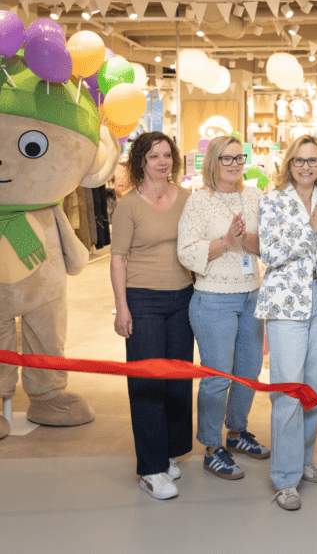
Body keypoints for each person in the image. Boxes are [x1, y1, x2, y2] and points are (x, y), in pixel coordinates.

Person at [255, 135, 317, 511]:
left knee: (316, 391)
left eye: (313, 160)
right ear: (289, 163)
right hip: (286, 306)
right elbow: (270, 253)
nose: (306, 167)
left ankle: (304, 459)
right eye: (299, 160)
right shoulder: (272, 200)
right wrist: (311, 230)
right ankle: (285, 477)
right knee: (288, 392)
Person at [177, 135, 269, 482]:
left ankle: (237, 432)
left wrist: (246, 240)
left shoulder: (255, 197)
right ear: (213, 162)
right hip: (213, 298)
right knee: (217, 377)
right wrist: (226, 242)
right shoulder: (199, 201)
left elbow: (269, 245)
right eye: (226, 158)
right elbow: (186, 252)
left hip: (252, 295)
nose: (234, 164)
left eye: (239, 157)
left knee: (249, 372)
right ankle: (212, 447)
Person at [110, 132, 194, 501]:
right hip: (143, 299)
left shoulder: (186, 198)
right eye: (154, 156)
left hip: (183, 297)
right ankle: (150, 469)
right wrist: (122, 306)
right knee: (147, 381)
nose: (162, 162)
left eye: (167, 155)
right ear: (141, 161)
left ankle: (169, 451)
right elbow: (118, 259)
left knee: (178, 378)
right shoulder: (129, 205)